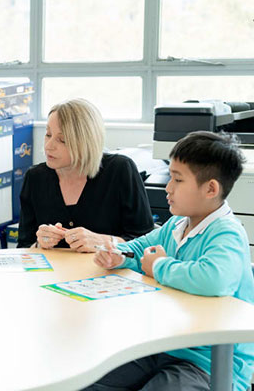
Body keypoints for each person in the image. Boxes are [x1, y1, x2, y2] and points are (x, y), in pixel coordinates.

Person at [86, 131, 254, 391]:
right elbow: (141, 248)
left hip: (209, 363)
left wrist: (159, 266)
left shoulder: (227, 232)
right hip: (165, 346)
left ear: (210, 189)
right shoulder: (177, 224)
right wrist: (119, 255)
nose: (168, 187)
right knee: (91, 378)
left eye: (177, 180)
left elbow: (215, 279)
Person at [18, 98, 154, 251]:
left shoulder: (120, 170)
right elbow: (23, 247)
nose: (48, 146)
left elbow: (146, 244)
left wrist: (103, 241)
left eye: (62, 140)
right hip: (55, 274)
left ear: (85, 142)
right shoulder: (35, 178)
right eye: (48, 135)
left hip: (109, 272)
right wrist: (38, 244)